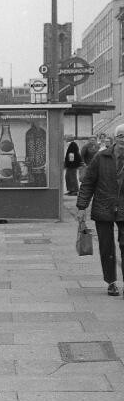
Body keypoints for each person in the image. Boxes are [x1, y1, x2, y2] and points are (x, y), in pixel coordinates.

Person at [77, 124, 124, 297]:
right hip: (103, 207)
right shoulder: (101, 157)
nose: (123, 140)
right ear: (115, 138)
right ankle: (111, 282)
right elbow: (88, 182)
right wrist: (82, 207)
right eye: (121, 136)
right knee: (107, 247)